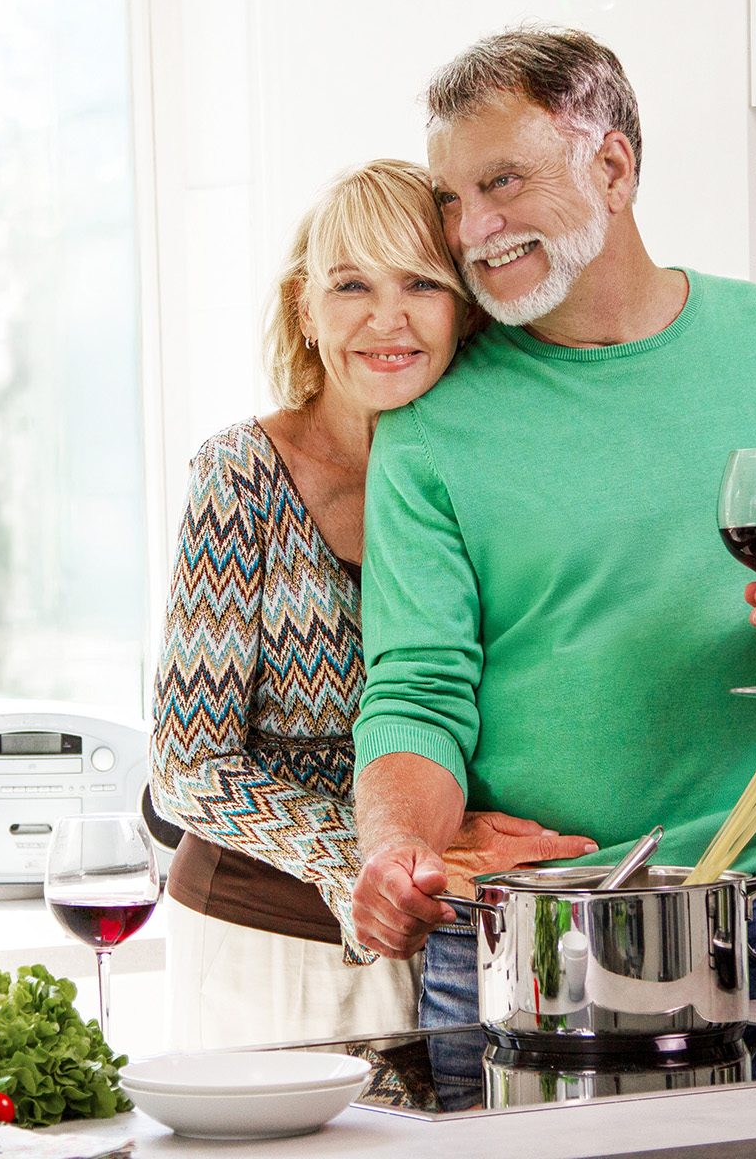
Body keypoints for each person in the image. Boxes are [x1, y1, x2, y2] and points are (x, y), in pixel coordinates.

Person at [343, 28, 756, 1032]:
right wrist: (395, 852)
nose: (472, 228)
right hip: (510, 941)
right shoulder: (430, 424)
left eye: (502, 181)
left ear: (613, 164)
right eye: (453, 198)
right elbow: (417, 692)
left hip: (748, 920)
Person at [151, 159, 596, 1052]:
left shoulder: (491, 479)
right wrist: (386, 859)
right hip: (269, 947)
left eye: (421, 284)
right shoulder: (243, 478)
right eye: (351, 284)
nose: (385, 320)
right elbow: (187, 766)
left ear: (466, 311)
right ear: (303, 310)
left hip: (464, 941)